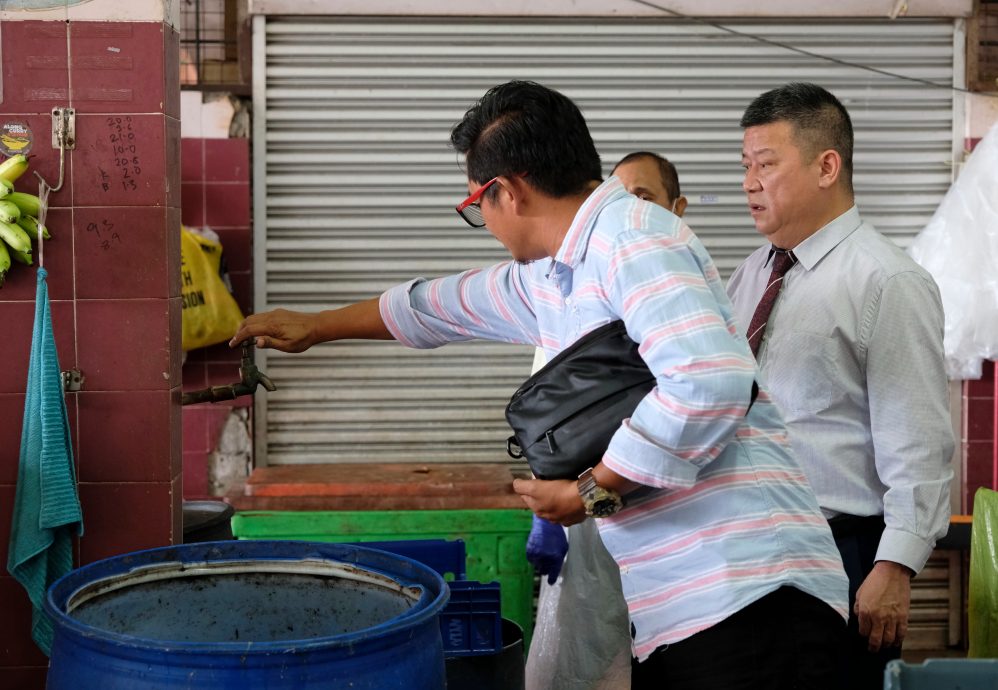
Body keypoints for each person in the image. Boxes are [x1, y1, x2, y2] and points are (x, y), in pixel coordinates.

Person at [231, 80, 849, 689]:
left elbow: (710, 382)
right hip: (688, 603)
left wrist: (592, 492)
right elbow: (437, 306)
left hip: (751, 594)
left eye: (477, 206)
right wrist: (316, 326)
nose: (484, 221)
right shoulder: (561, 273)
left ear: (508, 190)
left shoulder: (631, 239)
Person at [726, 82, 955, 690]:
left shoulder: (887, 281)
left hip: (840, 550)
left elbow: (918, 437)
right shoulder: (751, 273)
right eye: (745, 166)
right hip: (749, 547)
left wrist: (896, 565)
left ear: (827, 166)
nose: (750, 182)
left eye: (767, 165)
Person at [525, 150, 688, 690]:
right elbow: (547, 411)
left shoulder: (680, 299)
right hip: (589, 526)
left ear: (676, 209)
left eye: (642, 198)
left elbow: (701, 398)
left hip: (665, 521)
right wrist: (548, 513)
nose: (625, 213)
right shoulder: (572, 292)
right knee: (593, 658)